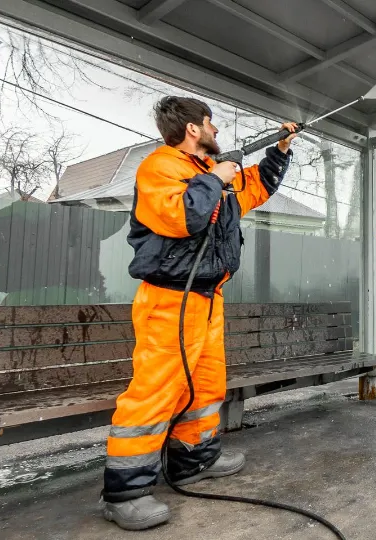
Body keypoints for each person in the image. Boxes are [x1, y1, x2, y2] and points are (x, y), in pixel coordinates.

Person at [101, 96, 297, 530]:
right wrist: (216, 178)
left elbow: (256, 186)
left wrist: (280, 149)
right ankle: (125, 492)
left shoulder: (211, 173)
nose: (216, 130)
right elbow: (182, 216)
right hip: (170, 299)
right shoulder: (160, 167)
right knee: (155, 392)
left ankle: (194, 461)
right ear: (193, 128)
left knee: (205, 386)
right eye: (211, 123)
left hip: (208, 299)